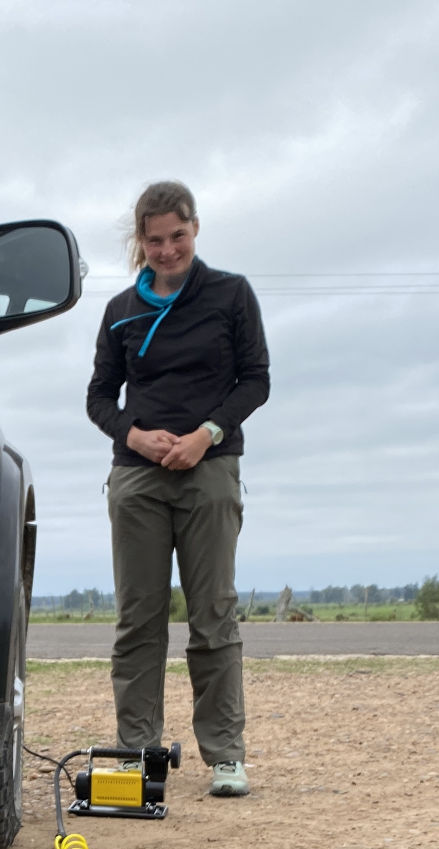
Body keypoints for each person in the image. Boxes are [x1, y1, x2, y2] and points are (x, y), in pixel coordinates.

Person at [85, 181, 270, 797]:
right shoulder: (119, 310)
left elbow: (256, 380)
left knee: (212, 612)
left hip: (209, 469)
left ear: (195, 230)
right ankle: (137, 755)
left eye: (178, 237)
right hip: (137, 476)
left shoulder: (230, 294)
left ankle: (225, 755)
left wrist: (206, 434)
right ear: (140, 240)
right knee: (139, 619)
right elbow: (98, 398)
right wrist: (134, 437)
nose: (167, 251)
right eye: (155, 239)